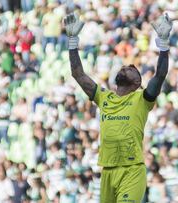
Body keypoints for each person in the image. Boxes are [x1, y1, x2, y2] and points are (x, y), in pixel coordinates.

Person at [63, 12, 172, 203]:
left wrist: (163, 43)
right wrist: (72, 41)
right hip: (107, 171)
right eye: (124, 68)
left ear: (138, 81)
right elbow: (78, 74)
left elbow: (160, 74)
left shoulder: (142, 99)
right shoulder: (103, 96)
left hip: (132, 171)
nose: (124, 68)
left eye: (130, 69)